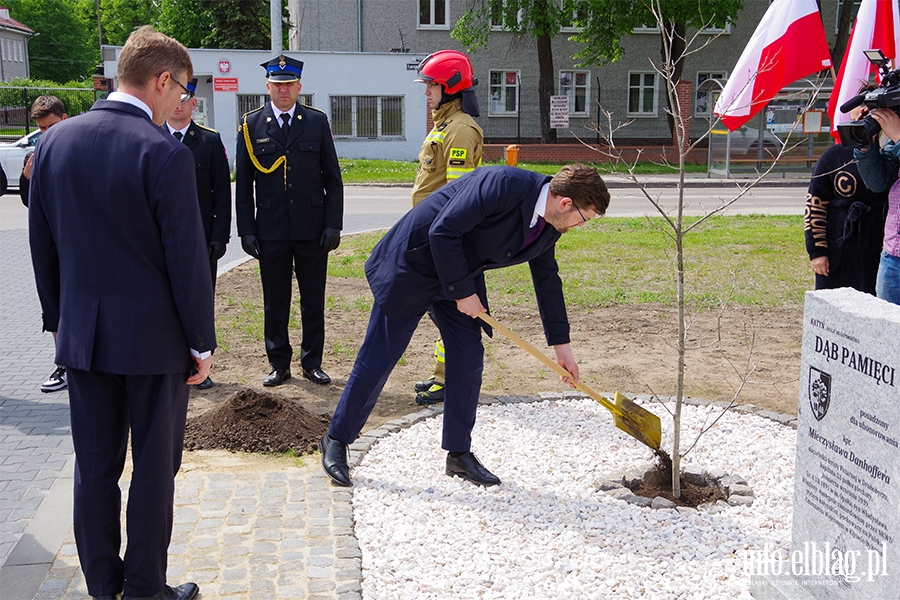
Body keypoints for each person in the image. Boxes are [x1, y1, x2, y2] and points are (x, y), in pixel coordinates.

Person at [28, 26, 214, 600]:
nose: (181, 101)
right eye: (181, 90)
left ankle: (103, 588)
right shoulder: (163, 152)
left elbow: (42, 243)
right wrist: (201, 344)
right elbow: (187, 262)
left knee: (94, 469)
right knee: (154, 470)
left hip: (83, 338)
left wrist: (60, 320)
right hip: (154, 344)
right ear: (161, 80)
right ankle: (144, 590)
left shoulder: (55, 144)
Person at [320, 164, 610, 488]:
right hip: (414, 265)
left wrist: (562, 349)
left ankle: (458, 453)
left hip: (457, 277)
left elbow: (547, 281)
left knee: (468, 359)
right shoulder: (502, 185)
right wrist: (465, 292)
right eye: (584, 218)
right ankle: (337, 440)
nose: (580, 226)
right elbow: (443, 231)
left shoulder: (548, 226)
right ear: (566, 203)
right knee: (380, 357)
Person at [235, 54, 344, 387]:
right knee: (275, 300)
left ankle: (312, 362)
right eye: (277, 85)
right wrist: (247, 231)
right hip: (272, 230)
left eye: (289, 85)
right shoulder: (251, 125)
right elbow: (243, 185)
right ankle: (279, 363)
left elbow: (333, 179)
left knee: (313, 299)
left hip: (311, 229)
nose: (283, 91)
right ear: (267, 87)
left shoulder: (316, 122)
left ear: (299, 87)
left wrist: (332, 225)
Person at [410, 49, 484, 406]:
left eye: (431, 86)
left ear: (450, 87)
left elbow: (459, 198)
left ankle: (450, 378)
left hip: (444, 240)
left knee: (453, 313)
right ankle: (443, 375)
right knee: (441, 311)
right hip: (430, 236)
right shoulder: (445, 125)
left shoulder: (460, 130)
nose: (426, 93)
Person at [166, 88, 232, 390]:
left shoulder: (208, 140)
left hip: (202, 241)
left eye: (185, 101)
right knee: (165, 304)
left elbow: (222, 194)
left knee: (201, 304)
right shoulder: (153, 137)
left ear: (194, 104)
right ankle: (171, 366)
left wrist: (220, 237)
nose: (178, 107)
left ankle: (201, 364)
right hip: (163, 241)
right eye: (174, 100)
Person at [805, 84, 887, 293]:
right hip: (838, 248)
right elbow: (815, 206)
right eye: (860, 106)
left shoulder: (891, 153)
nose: (864, 113)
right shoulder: (833, 156)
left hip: (878, 249)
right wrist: (817, 251)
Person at [18, 96, 70, 392]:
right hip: (47, 244)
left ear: (64, 119)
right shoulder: (36, 155)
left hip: (77, 242)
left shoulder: (78, 146)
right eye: (40, 129)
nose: (45, 133)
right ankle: (63, 363)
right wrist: (27, 176)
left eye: (50, 126)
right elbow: (29, 201)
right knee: (52, 303)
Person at [855, 107, 900, 305]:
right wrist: (866, 144)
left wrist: (899, 136)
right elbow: (879, 182)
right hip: (892, 255)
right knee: (887, 333)